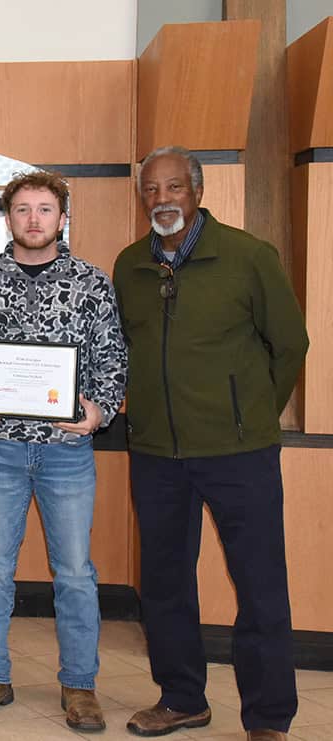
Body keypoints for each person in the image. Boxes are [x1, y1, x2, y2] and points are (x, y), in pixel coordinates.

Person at [114, 146, 308, 741]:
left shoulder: (249, 257)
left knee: (259, 583)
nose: (162, 199)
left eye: (173, 187)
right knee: (166, 584)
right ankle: (181, 698)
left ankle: (269, 718)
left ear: (197, 191)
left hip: (238, 454)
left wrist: (248, 417)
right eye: (151, 190)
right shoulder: (130, 265)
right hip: (155, 455)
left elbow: (290, 345)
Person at [0, 170, 126, 732]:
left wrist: (99, 412)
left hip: (66, 451)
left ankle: (79, 685)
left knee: (74, 572)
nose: (33, 220)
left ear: (62, 217)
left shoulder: (91, 284)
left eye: (44, 209)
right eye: (22, 209)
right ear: (8, 218)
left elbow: (112, 362)